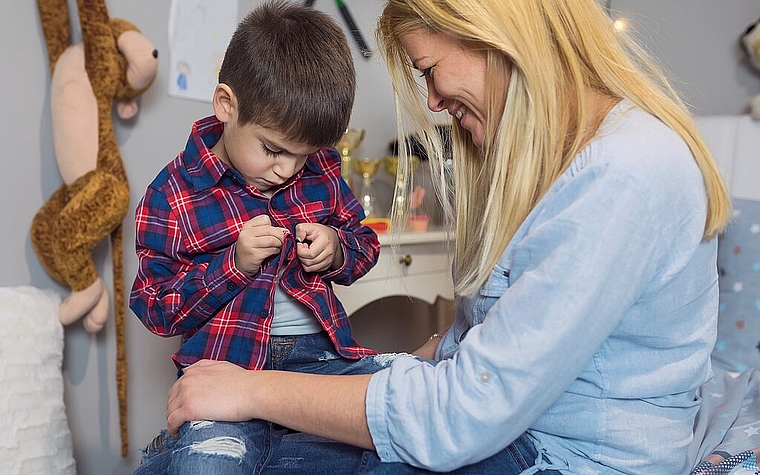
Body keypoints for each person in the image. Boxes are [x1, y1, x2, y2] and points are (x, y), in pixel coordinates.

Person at [157, 0, 734, 473]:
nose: (431, 101)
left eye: (428, 70)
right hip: (511, 431)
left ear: (493, 31)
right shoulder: (559, 165)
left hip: (558, 457)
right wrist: (405, 366)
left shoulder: (625, 174)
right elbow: (487, 341)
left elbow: (462, 414)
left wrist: (253, 390)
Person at [129, 2, 395, 474]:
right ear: (227, 105)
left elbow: (364, 245)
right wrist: (233, 264)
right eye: (273, 149)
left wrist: (336, 249)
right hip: (225, 369)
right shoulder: (172, 194)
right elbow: (155, 309)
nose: (287, 169)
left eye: (305, 154)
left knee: (409, 415)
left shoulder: (321, 171)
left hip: (321, 361)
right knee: (208, 465)